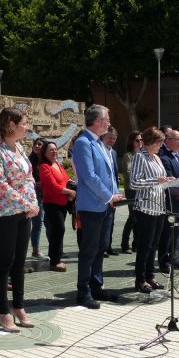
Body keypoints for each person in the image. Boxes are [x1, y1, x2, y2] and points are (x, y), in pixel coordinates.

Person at [0, 107, 38, 332]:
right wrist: (27, 203)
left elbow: (29, 178)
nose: (27, 127)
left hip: (24, 212)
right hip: (4, 213)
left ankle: (19, 306)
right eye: (24, 123)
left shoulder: (20, 149)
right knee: (4, 262)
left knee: (19, 262)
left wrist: (33, 202)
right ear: (11, 125)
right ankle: (2, 310)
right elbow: (0, 184)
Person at [72, 104, 123, 309]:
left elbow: (108, 174)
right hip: (92, 206)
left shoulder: (100, 144)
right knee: (89, 250)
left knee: (100, 248)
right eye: (107, 119)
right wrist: (108, 195)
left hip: (105, 206)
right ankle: (83, 292)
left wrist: (114, 195)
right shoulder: (83, 143)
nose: (110, 123)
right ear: (99, 121)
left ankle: (96, 286)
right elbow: (88, 176)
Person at [130, 127, 170, 293]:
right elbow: (134, 182)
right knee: (145, 246)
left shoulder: (157, 158)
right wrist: (156, 180)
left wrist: (168, 180)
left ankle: (150, 276)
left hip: (159, 207)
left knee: (154, 245)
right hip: (146, 208)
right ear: (151, 142)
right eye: (159, 142)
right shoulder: (140, 157)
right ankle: (140, 280)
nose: (161, 145)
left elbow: (161, 180)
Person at [39, 141, 75, 272]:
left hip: (62, 204)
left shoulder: (58, 164)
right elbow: (53, 186)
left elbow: (66, 180)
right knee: (58, 230)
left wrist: (73, 187)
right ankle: (54, 261)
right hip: (52, 204)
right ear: (44, 153)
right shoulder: (44, 167)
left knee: (58, 232)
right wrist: (70, 192)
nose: (54, 152)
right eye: (51, 150)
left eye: (55, 149)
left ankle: (56, 257)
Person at [158, 129, 179, 271]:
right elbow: (170, 181)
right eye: (178, 140)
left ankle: (175, 258)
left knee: (178, 232)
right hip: (171, 201)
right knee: (167, 232)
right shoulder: (164, 157)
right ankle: (164, 261)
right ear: (168, 140)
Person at [120, 131, 142, 254]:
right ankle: (125, 244)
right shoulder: (128, 155)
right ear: (131, 142)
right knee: (133, 218)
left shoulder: (143, 155)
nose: (140, 143)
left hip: (142, 190)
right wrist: (140, 179)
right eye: (137, 140)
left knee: (137, 218)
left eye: (141, 140)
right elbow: (128, 173)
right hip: (131, 190)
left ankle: (136, 243)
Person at [102, 126, 120, 257]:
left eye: (114, 138)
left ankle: (108, 246)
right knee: (102, 224)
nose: (112, 141)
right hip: (103, 194)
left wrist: (117, 192)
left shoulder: (113, 152)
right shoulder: (100, 150)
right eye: (110, 138)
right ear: (103, 137)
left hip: (114, 194)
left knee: (111, 222)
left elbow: (115, 175)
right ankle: (102, 247)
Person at [28, 137, 46, 258]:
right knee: (35, 222)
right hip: (32, 196)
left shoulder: (45, 162)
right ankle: (35, 249)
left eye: (40, 145)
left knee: (38, 223)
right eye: (36, 144)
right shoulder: (29, 160)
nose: (37, 146)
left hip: (44, 196)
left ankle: (35, 249)